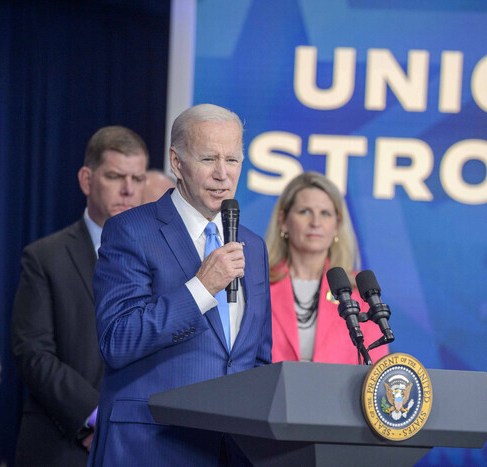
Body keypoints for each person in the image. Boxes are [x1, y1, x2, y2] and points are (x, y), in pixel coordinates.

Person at [88, 104, 271, 465]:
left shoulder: (254, 244)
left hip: (231, 451)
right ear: (177, 162)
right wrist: (201, 288)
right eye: (208, 159)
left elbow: (256, 359)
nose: (223, 174)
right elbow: (117, 341)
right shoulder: (131, 231)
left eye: (232, 160)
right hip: (151, 445)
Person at [10, 126, 149, 466]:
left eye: (138, 178)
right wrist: (96, 416)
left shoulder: (162, 260)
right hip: (62, 447)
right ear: (87, 180)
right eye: (116, 176)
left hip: (139, 447)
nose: (129, 190)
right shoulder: (45, 257)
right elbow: (33, 353)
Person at [265, 171, 389, 364]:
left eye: (325, 213)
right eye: (304, 211)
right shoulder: (258, 285)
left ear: (337, 226)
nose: (315, 222)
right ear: (283, 221)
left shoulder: (359, 292)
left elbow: (376, 367)